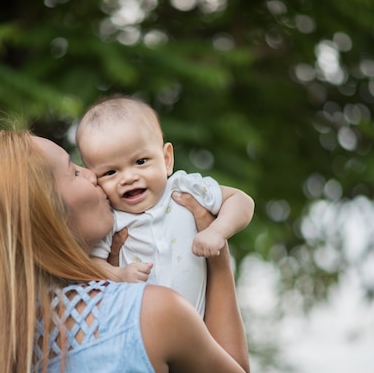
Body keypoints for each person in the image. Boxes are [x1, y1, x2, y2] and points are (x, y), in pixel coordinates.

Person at [0, 128, 250, 373]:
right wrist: (215, 255)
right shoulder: (149, 312)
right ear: (46, 217)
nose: (93, 174)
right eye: (73, 171)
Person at [76, 96, 255, 316]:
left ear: (167, 159)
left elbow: (241, 201)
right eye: (110, 172)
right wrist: (119, 275)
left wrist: (217, 231)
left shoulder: (184, 188)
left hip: (199, 332)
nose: (129, 177)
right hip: (146, 337)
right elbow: (91, 264)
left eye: (140, 162)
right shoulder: (109, 220)